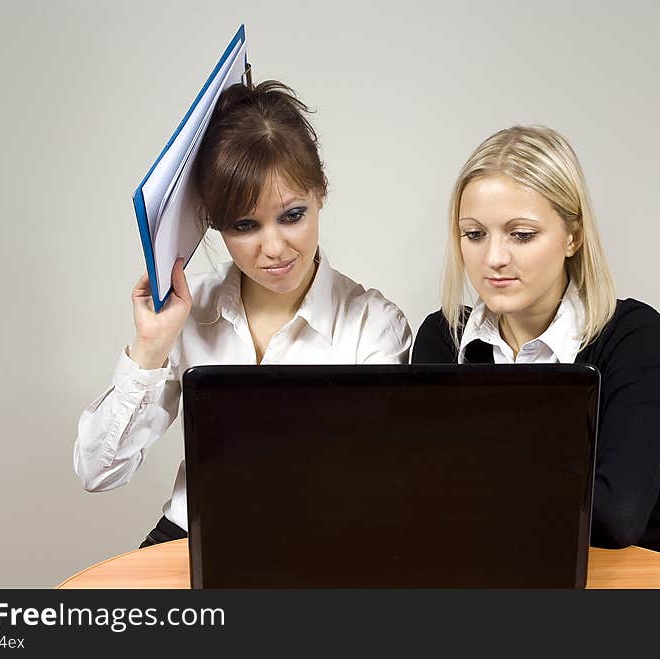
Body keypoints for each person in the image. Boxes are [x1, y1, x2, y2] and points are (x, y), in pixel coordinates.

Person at [75, 81, 412, 547]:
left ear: (320, 193)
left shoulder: (373, 327)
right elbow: (98, 472)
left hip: (315, 553)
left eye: (292, 215)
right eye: (244, 225)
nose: (273, 248)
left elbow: (374, 489)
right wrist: (151, 347)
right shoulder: (191, 312)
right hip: (189, 540)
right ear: (213, 222)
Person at [411, 125, 660, 567]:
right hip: (510, 576)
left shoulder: (632, 335)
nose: (494, 258)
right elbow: (425, 506)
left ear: (573, 236)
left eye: (521, 235)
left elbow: (616, 517)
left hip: (643, 576)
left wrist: (475, 480)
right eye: (474, 234)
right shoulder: (442, 337)